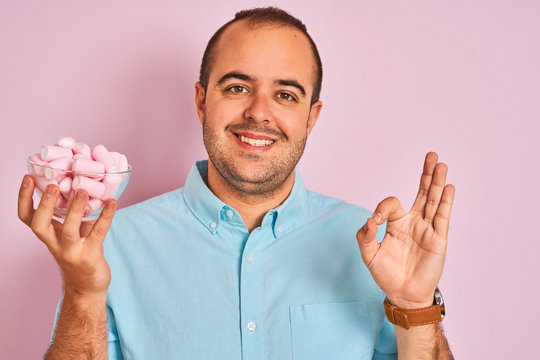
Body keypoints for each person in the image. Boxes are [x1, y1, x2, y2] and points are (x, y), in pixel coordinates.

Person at [18, 7, 455, 360]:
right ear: (201, 100)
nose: (259, 112)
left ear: (311, 117)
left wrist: (416, 307)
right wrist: (82, 291)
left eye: (286, 94)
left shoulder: (375, 249)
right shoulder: (110, 246)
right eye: (237, 87)